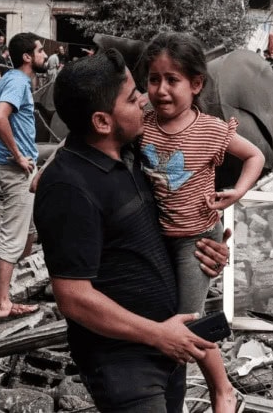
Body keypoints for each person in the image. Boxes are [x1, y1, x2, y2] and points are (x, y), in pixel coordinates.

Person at [34, 50, 231, 412]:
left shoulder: (134, 155)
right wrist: (157, 334)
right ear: (102, 121)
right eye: (130, 97)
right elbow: (73, 297)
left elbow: (153, 235)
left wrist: (209, 248)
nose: (144, 99)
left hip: (168, 346)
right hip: (124, 364)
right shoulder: (69, 187)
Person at [140, 32, 264, 412]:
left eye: (172, 80)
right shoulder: (142, 123)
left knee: (187, 321)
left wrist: (238, 192)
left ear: (196, 84)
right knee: (164, 317)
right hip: (157, 236)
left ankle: (221, 389)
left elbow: (255, 156)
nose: (161, 90)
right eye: (154, 79)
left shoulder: (210, 130)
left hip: (196, 239)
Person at [0, 32, 47, 318]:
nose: (45, 55)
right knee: (13, 237)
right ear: (27, 57)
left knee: (29, 234)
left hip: (22, 168)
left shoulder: (15, 79)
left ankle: (11, 286)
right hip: (16, 170)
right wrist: (18, 155)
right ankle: (2, 303)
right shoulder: (17, 81)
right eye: (40, 51)